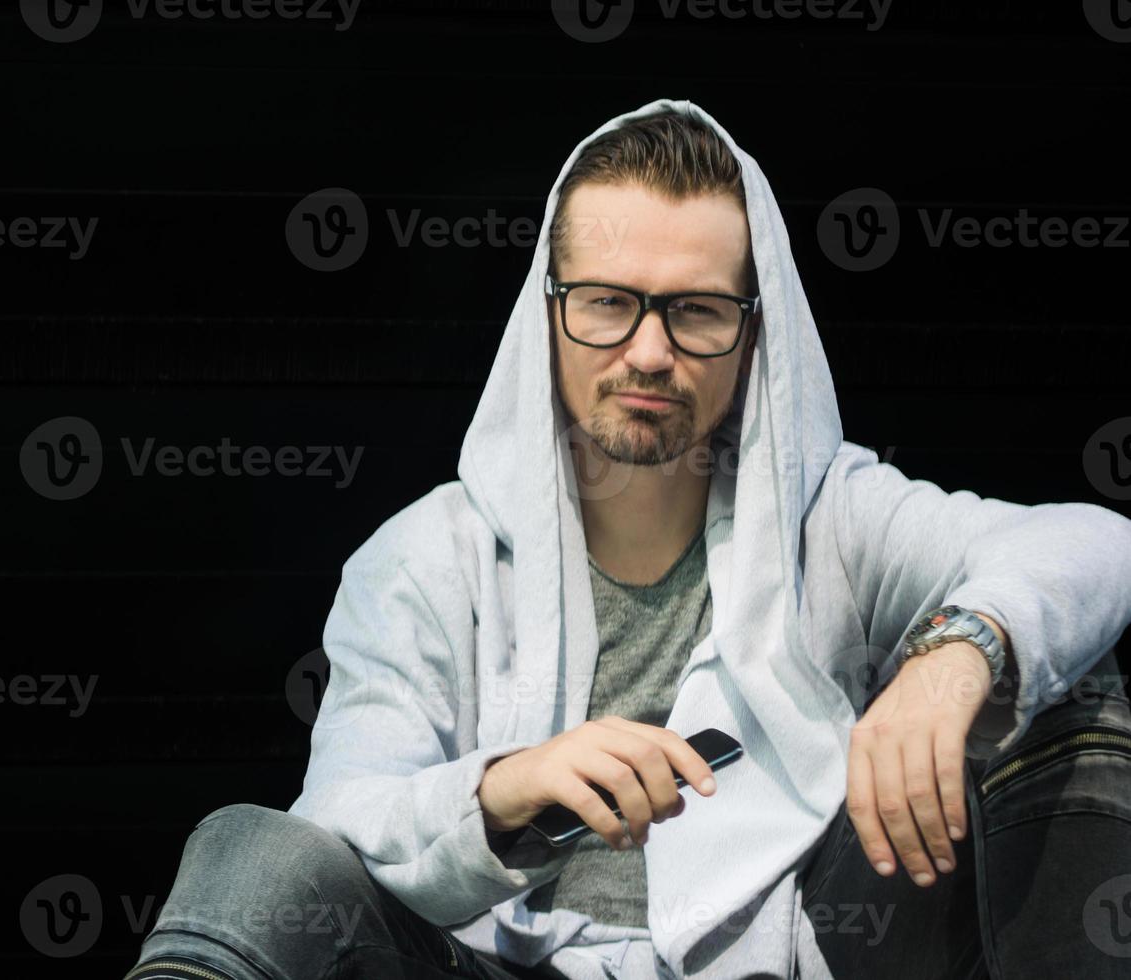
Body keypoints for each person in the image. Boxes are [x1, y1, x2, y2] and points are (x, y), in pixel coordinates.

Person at [124, 100, 1131, 979]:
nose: (648, 351)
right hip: (481, 964)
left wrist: (957, 654)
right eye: (608, 302)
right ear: (549, 312)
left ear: (753, 330)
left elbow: (1096, 542)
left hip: (801, 954)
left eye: (695, 310)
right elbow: (340, 815)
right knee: (252, 844)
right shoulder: (426, 557)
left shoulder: (836, 517)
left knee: (1057, 675)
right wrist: (504, 786)